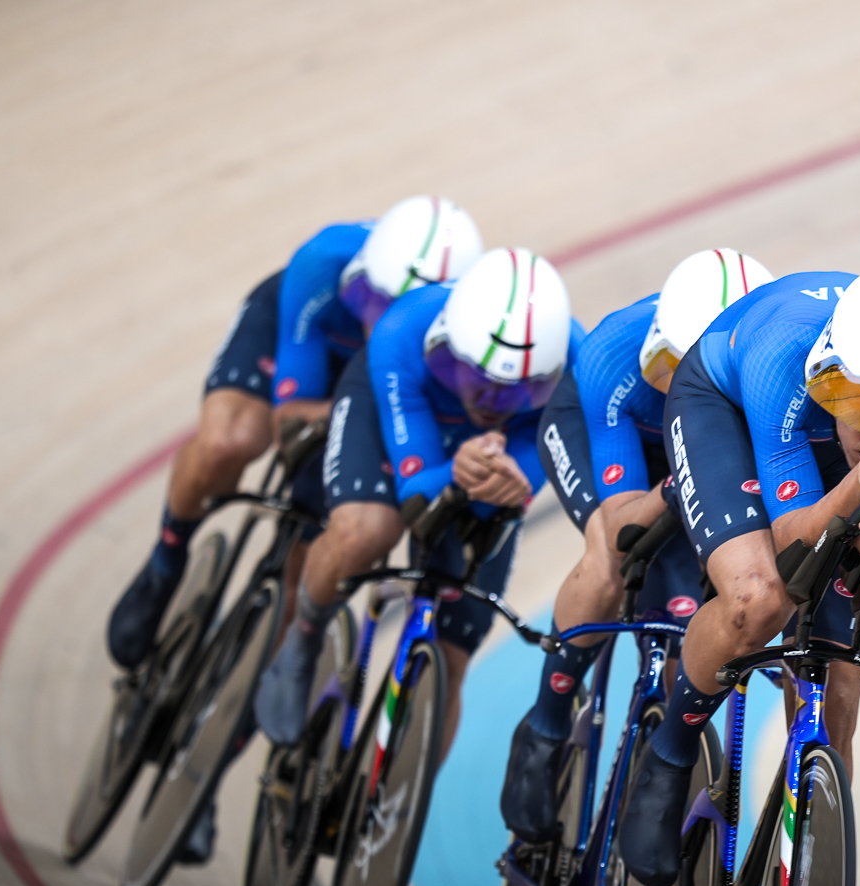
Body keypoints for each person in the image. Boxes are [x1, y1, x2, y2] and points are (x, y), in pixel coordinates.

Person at [617, 264, 860, 886]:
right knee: (758, 599)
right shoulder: (780, 351)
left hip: (833, 448)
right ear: (831, 371)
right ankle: (668, 756)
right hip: (730, 409)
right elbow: (793, 547)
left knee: (842, 666)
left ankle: (808, 873)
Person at [104, 196, 482, 670]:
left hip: (390, 376)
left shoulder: (454, 343)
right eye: (376, 300)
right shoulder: (324, 260)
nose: (381, 322)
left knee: (310, 564)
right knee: (231, 441)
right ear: (362, 276)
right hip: (309, 337)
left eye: (399, 312)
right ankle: (167, 557)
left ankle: (248, 681)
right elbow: (290, 418)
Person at [254, 247, 583, 754]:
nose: (489, 403)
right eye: (476, 377)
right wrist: (453, 471)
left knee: (452, 657)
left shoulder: (578, 368)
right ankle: (305, 633)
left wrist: (502, 483)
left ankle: (398, 809)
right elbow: (415, 495)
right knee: (368, 531)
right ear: (446, 345)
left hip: (506, 448)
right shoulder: (402, 333)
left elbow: (509, 492)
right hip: (402, 416)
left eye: (517, 390)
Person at [497, 249, 774, 845]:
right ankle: (546, 724)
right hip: (610, 444)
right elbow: (626, 521)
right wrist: (675, 490)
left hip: (702, 452)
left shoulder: (769, 376)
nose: (683, 381)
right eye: (671, 365)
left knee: (692, 621)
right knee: (613, 552)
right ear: (654, 345)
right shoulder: (610, 359)